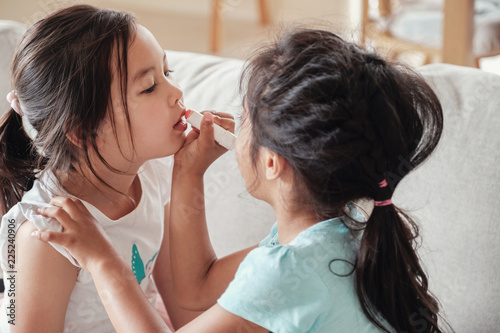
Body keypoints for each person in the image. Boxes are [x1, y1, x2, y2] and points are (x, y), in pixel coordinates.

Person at [32, 28, 451, 333]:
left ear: (272, 164)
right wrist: (189, 173)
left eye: (246, 118)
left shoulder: (291, 272)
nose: (178, 93)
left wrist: (104, 262)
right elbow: (195, 290)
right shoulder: (332, 235)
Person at [0, 4, 228, 332]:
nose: (176, 92)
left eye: (167, 73)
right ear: (83, 132)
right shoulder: (48, 234)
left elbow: (185, 303)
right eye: (149, 86)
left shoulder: (154, 175)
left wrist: (190, 173)